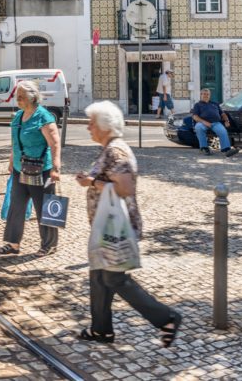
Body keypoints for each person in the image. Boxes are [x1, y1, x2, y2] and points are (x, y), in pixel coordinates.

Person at [76, 100, 183, 347]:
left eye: (92, 123)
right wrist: (91, 179)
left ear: (104, 126)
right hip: (106, 228)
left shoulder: (116, 151)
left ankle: (167, 318)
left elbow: (125, 188)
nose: (88, 127)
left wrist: (91, 183)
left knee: (113, 280)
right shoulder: (110, 149)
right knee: (99, 277)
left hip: (117, 228)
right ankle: (100, 330)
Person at [0, 80, 61, 257]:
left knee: (44, 207)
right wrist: (11, 161)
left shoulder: (43, 117)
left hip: (41, 169)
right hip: (20, 168)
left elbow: (54, 143)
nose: (18, 99)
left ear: (32, 98)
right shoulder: (18, 117)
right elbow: (15, 143)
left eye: (22, 97)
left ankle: (49, 244)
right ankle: (13, 244)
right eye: (17, 96)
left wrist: (56, 168)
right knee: (16, 206)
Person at [191, 88, 240, 157]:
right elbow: (195, 116)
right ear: (201, 95)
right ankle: (204, 148)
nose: (206, 95)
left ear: (210, 95)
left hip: (216, 123)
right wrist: (204, 122)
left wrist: (226, 121)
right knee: (198, 127)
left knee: (223, 131)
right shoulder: (198, 105)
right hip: (203, 123)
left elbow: (222, 114)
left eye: (208, 94)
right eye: (204, 94)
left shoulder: (215, 104)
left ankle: (226, 150)